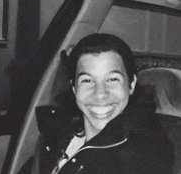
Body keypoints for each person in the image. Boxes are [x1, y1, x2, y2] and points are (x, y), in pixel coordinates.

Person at [34, 33, 174, 174]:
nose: (100, 94)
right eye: (87, 80)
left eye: (112, 79)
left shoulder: (145, 154)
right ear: (74, 88)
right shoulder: (59, 133)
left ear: (131, 84)